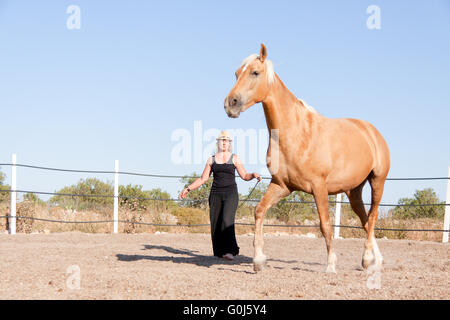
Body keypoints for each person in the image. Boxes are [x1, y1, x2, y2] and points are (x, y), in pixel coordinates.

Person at [179, 131, 262, 261]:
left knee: (226, 220)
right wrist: (188, 188)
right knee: (216, 222)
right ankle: (220, 251)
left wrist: (253, 175)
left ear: (229, 143)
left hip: (231, 194)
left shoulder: (235, 158)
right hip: (215, 194)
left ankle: (230, 251)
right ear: (218, 142)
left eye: (226, 140)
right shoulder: (211, 159)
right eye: (221, 140)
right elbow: (203, 178)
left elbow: (245, 176)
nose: (224, 142)